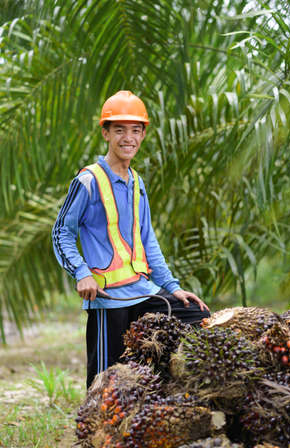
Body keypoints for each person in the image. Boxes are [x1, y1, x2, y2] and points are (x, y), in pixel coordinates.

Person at [52, 90, 210, 388]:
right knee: (104, 381)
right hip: (108, 299)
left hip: (143, 292)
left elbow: (148, 240)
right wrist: (81, 273)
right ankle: (94, 432)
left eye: (136, 130)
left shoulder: (137, 182)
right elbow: (61, 232)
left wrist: (173, 288)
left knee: (198, 316)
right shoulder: (88, 181)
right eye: (120, 130)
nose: (129, 138)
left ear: (143, 134)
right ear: (106, 133)